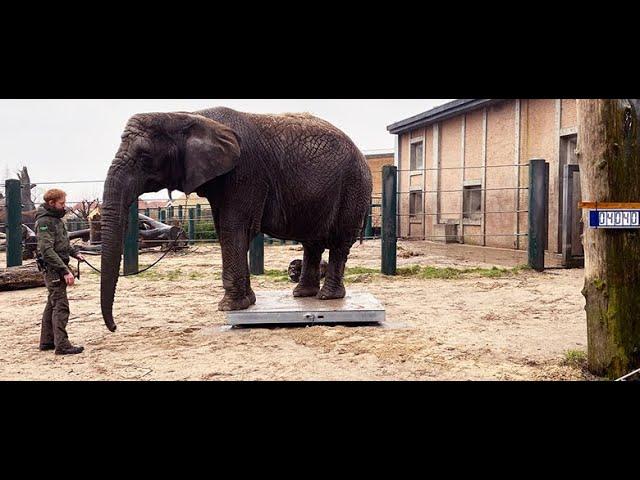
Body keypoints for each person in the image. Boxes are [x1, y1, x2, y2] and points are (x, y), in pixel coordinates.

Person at [35, 188, 86, 355]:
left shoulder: (56, 220)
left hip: (58, 266)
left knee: (52, 304)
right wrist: (65, 270)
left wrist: (75, 253)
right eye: (62, 203)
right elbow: (47, 250)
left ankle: (47, 341)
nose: (65, 206)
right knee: (61, 305)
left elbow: (61, 243)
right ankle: (62, 345)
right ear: (52, 203)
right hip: (53, 269)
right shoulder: (45, 222)